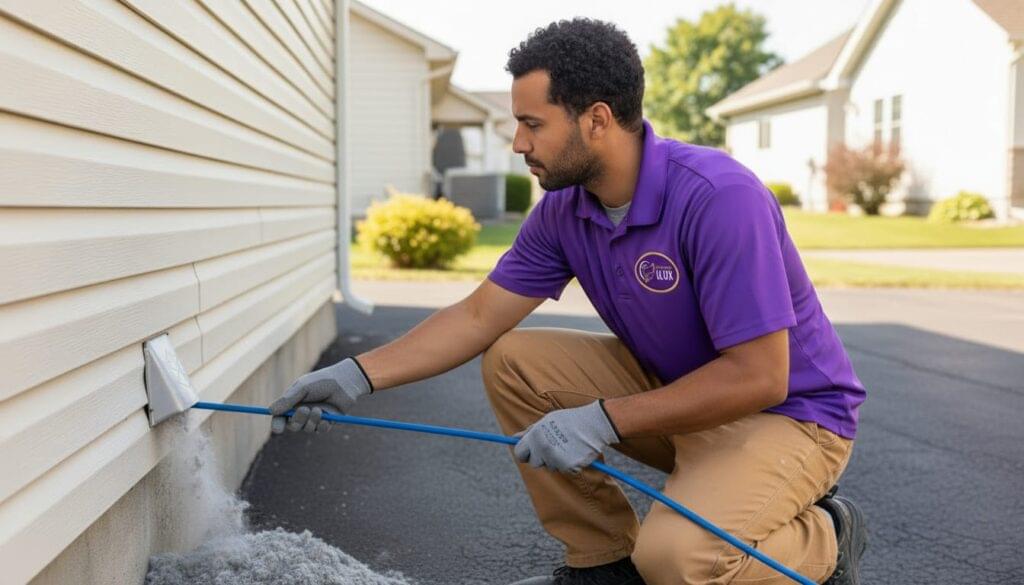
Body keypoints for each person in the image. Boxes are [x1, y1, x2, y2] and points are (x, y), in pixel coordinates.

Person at [269, 18, 868, 585]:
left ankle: (828, 538)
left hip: (791, 417)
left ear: (597, 119)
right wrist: (356, 375)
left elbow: (760, 376)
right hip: (684, 394)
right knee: (514, 361)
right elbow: (478, 317)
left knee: (678, 561)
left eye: (533, 124)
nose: (517, 143)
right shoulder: (565, 209)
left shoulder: (719, 198)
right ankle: (602, 564)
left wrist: (604, 419)